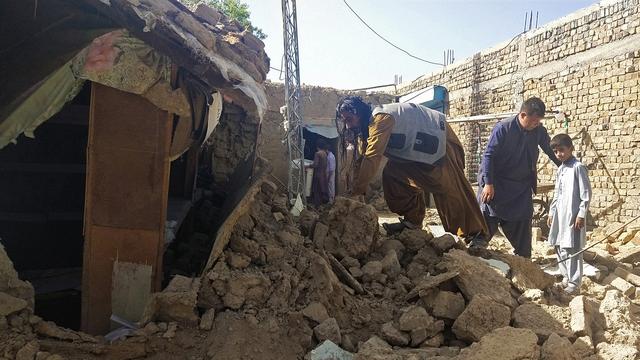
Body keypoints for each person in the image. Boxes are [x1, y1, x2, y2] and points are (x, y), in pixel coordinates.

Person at [336, 96, 488, 244]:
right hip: (416, 152)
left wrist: (358, 190)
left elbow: (372, 157)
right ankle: (412, 221)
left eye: (349, 119)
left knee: (450, 189)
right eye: (345, 121)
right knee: (393, 174)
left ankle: (476, 234)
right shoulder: (366, 128)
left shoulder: (381, 119)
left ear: (359, 113)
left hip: (439, 141)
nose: (348, 125)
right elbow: (363, 159)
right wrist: (355, 188)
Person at [477, 97, 561, 257]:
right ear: (523, 115)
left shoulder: (539, 131)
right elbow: (489, 155)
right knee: (488, 217)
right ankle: (476, 250)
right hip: (497, 184)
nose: (536, 124)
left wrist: (567, 165)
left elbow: (551, 150)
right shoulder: (503, 128)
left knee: (522, 221)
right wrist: (488, 183)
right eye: (533, 121)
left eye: (538, 121)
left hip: (520, 188)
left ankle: (523, 258)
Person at [547, 134, 591, 294]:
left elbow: (586, 194)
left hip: (572, 216)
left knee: (573, 248)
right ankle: (565, 277)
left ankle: (574, 283)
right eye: (556, 152)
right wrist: (552, 212)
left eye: (562, 150)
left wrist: (581, 214)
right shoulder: (561, 169)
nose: (559, 154)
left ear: (571, 149)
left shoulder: (578, 167)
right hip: (560, 215)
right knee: (559, 245)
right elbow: (556, 194)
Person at [307, 139, 329, 207]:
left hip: (318, 174)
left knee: (316, 190)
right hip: (323, 174)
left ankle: (317, 205)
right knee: (322, 190)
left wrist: (307, 165)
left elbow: (315, 165)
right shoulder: (325, 153)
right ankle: (322, 205)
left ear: (317, 146)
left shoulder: (317, 153)